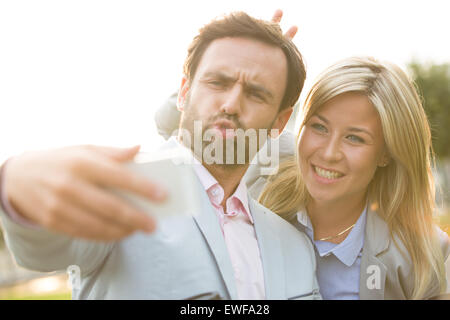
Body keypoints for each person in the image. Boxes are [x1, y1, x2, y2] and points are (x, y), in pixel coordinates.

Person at [0, 12, 321, 299]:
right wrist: (16, 186)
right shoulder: (124, 194)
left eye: (256, 93)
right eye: (217, 82)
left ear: (280, 121)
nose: (231, 105)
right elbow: (41, 248)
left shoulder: (296, 246)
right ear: (183, 92)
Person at [258, 56, 450, 299]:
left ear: (386, 153)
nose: (329, 154)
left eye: (354, 138)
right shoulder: (258, 169)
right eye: (319, 127)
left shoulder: (425, 255)